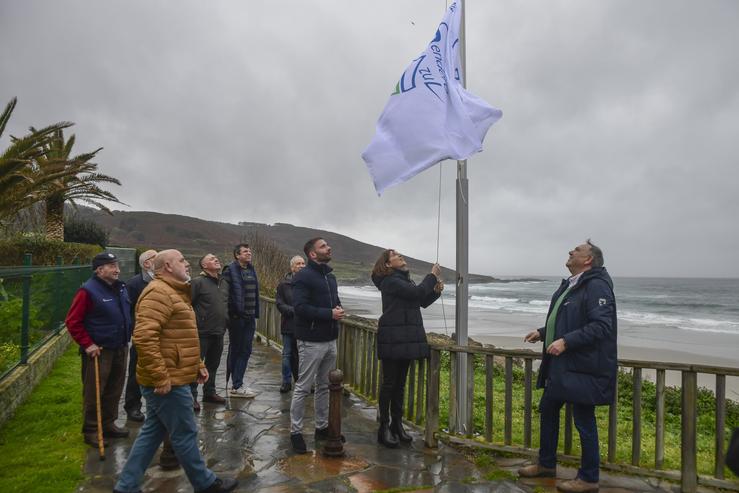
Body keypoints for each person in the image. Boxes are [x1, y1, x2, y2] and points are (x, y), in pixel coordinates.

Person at [114, 250, 237, 493]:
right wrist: (161, 376)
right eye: (182, 260)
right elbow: (144, 337)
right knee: (185, 432)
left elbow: (181, 337)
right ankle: (206, 484)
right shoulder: (159, 293)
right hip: (168, 380)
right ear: (168, 266)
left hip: (176, 374)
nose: (187, 264)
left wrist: (197, 366)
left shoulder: (174, 292)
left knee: (152, 432)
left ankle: (126, 486)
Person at [518, 240, 617, 493]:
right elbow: (568, 319)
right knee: (548, 409)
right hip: (563, 366)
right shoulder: (572, 284)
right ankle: (546, 464)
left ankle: (588, 478)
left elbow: (601, 326)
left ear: (588, 260)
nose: (571, 251)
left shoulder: (596, 285)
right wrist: (543, 333)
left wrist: (566, 341)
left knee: (584, 419)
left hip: (583, 367)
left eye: (577, 250)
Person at [371, 250, 443, 448]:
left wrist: (435, 291)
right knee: (389, 384)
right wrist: (432, 275)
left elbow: (421, 301)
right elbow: (417, 293)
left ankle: (397, 424)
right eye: (397, 256)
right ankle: (384, 427)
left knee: (400, 385)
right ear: (387, 264)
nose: (402, 257)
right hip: (394, 337)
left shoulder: (404, 280)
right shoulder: (390, 281)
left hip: (405, 338)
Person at [65, 252, 132, 448]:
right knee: (95, 391)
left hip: (120, 346)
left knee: (114, 388)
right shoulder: (87, 291)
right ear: (99, 269)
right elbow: (73, 322)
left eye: (117, 265)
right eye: (112, 266)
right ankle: (92, 430)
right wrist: (87, 344)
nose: (117, 269)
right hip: (99, 351)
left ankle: (109, 423)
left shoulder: (120, 288)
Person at [289, 238, 344, 454]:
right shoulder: (303, 276)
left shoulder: (330, 277)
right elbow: (300, 307)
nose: (328, 247)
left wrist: (338, 309)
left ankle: (322, 427)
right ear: (312, 254)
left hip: (330, 339)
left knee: (324, 386)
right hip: (310, 341)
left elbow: (335, 301)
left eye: (328, 245)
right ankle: (296, 432)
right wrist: (329, 314)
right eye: (323, 246)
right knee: (303, 386)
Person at [190, 253, 230, 409]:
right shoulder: (197, 282)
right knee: (196, 367)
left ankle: (209, 392)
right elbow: (188, 304)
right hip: (201, 332)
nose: (216, 259)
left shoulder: (224, 282)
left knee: (213, 364)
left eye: (216, 257)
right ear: (204, 266)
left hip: (219, 331)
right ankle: (192, 397)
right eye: (212, 259)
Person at [123, 249, 157, 422]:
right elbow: (127, 311)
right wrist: (133, 333)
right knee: (136, 372)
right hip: (142, 336)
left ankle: (155, 407)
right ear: (146, 264)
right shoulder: (133, 284)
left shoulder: (163, 281)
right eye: (155, 258)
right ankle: (132, 406)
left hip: (160, 336)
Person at [223, 243, 260, 398]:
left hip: (250, 318)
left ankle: (238, 383)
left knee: (246, 350)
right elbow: (226, 294)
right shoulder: (229, 270)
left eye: (250, 251)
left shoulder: (251, 269)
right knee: (236, 349)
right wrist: (234, 312)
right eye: (245, 251)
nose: (249, 253)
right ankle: (236, 385)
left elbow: (255, 294)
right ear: (237, 255)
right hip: (237, 318)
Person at [275, 255, 305, 393]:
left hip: (304, 326)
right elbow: (280, 304)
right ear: (292, 267)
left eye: (303, 263)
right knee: (287, 354)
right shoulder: (283, 285)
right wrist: (296, 311)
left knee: (303, 355)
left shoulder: (307, 284)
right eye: (298, 263)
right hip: (288, 324)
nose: (301, 266)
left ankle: (301, 381)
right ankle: (286, 382)